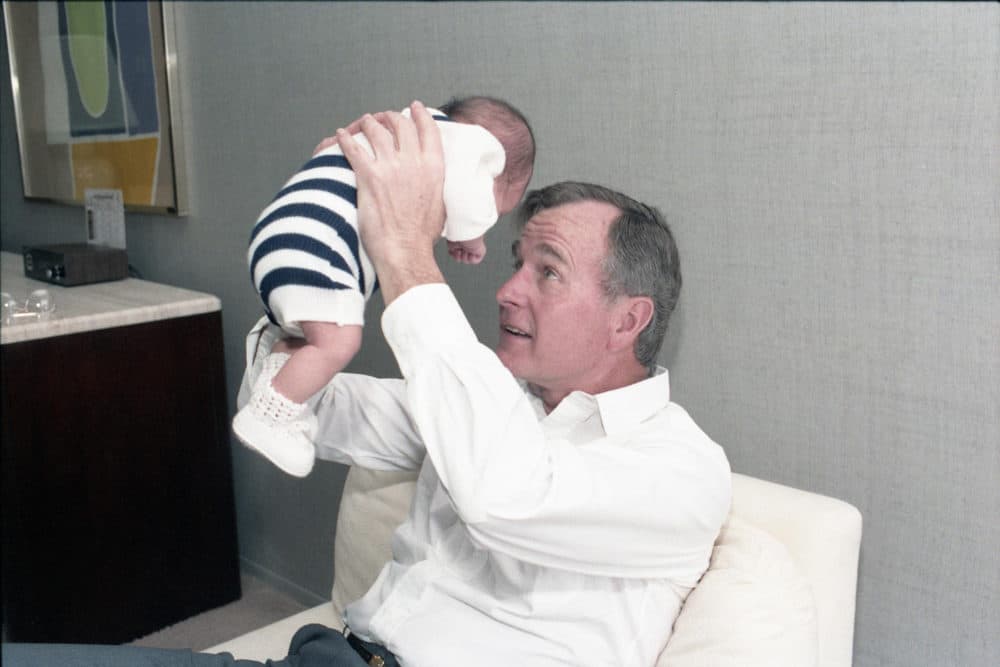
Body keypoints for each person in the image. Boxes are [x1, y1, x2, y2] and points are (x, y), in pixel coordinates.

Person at [2, 102, 730, 667]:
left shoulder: (680, 468)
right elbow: (308, 410)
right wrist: (316, 267)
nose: (507, 291)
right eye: (515, 262)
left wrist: (408, 253)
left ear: (628, 318)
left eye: (546, 270)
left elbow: (505, 493)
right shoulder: (485, 403)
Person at [233, 96, 536, 477]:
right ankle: (271, 414)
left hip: (275, 235)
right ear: (490, 162)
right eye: (498, 207)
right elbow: (468, 202)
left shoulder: (393, 138)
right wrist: (470, 236)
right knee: (340, 341)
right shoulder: (462, 148)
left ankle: (281, 379)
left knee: (309, 341)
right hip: (316, 248)